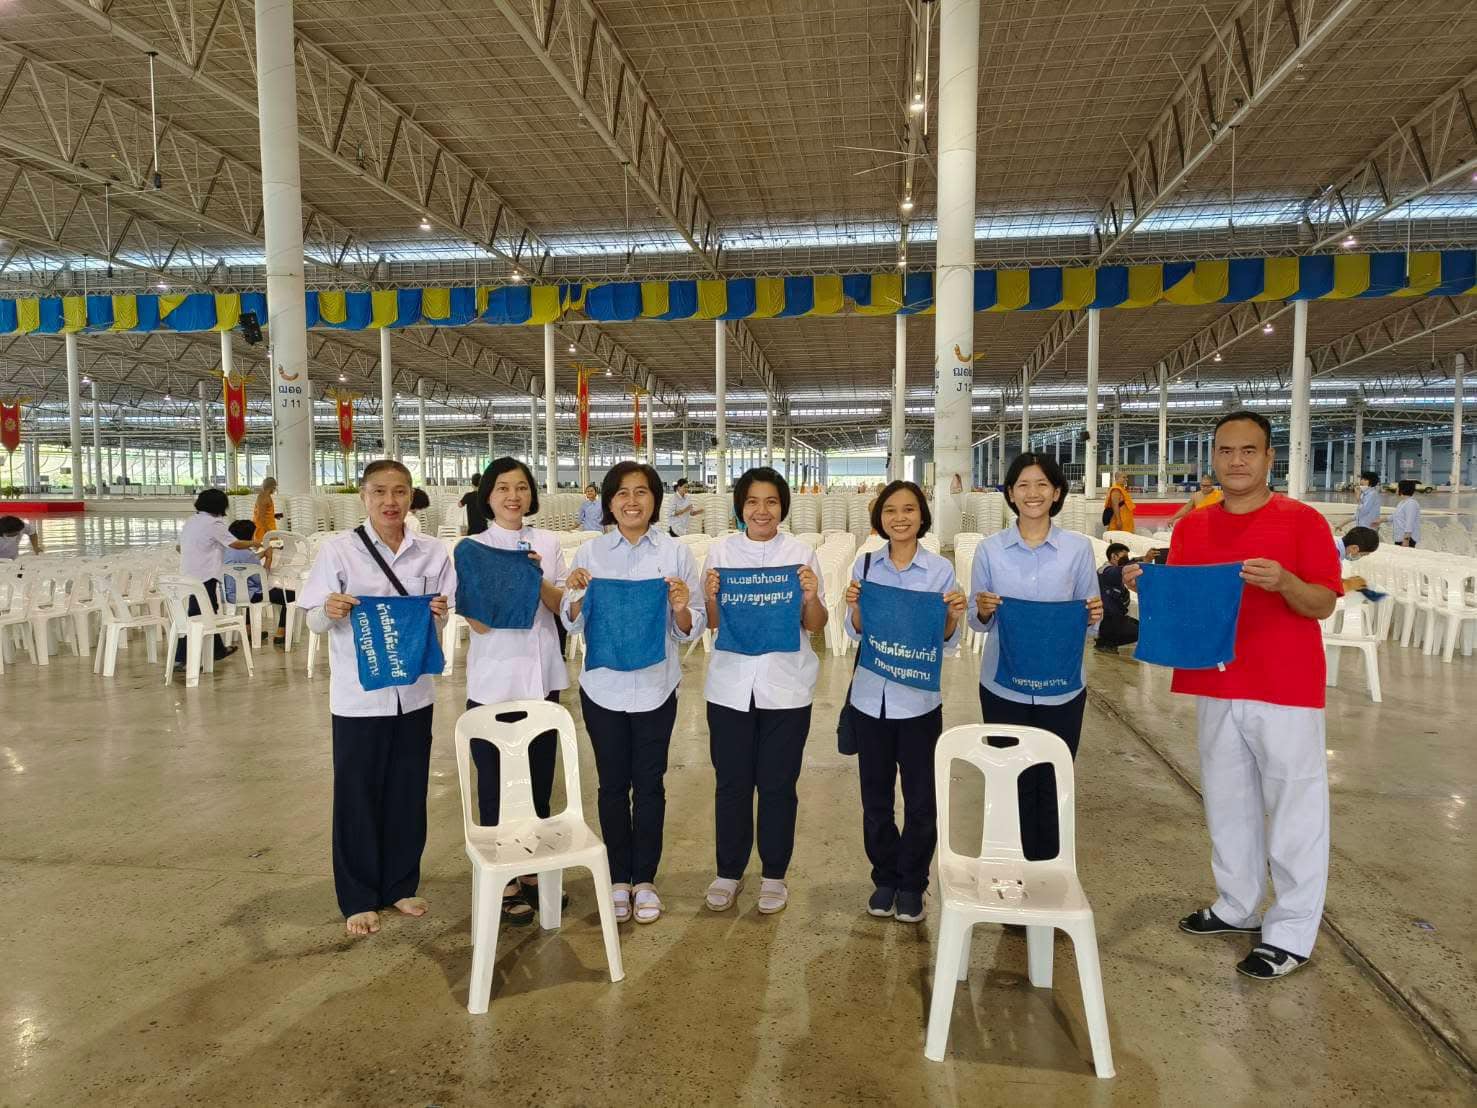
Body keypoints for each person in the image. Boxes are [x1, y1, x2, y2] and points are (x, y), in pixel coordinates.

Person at [1124, 409, 1341, 980]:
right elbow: (1188, 602)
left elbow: (1323, 602)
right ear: (1214, 458)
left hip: (1285, 684)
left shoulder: (1302, 522)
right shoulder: (1194, 527)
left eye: (1249, 450)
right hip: (1218, 680)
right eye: (1226, 450)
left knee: (1296, 806)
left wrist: (1286, 583)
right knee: (1227, 798)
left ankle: (1291, 931)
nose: (1237, 461)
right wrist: (1147, 584)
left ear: (1270, 458)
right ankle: (1237, 903)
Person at [298, 459, 455, 938]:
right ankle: (359, 895)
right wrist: (327, 609)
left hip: (413, 694)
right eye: (380, 491)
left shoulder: (433, 553)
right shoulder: (339, 552)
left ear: (412, 498)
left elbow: (440, 619)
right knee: (357, 795)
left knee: (407, 792)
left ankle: (401, 883)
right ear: (364, 497)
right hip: (358, 699)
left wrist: (438, 613)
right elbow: (310, 616)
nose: (391, 501)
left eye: (401, 492)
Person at [562, 461, 703, 925]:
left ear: (655, 500)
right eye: (621, 493)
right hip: (602, 687)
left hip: (657, 688)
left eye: (641, 492)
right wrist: (577, 593)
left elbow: (688, 629)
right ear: (609, 502)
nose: (631, 501)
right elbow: (572, 621)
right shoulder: (591, 554)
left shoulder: (676, 554)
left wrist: (682, 607)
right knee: (610, 785)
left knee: (649, 785)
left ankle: (645, 880)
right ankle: (617, 877)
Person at [700, 467, 828, 916]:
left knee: (778, 785)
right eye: (752, 501)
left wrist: (811, 596)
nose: (761, 510)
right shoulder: (720, 552)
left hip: (787, 689)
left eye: (771, 501)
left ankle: (774, 874)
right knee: (731, 784)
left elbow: (815, 626)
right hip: (730, 687)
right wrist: (711, 595)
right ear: (740, 508)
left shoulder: (800, 553)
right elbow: (713, 622)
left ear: (782, 507)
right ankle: (728, 871)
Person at [842, 480, 967, 924]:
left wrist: (953, 615)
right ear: (879, 518)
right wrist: (855, 605)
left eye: (909, 509)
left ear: (921, 516)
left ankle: (913, 883)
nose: (900, 518)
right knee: (875, 799)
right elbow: (855, 631)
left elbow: (947, 642)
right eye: (891, 510)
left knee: (920, 801)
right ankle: (884, 877)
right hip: (870, 700)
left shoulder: (939, 572)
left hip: (917, 703)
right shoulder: (867, 566)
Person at [968, 453, 1103, 861]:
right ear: (1010, 493)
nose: (1033, 493)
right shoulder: (989, 551)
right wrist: (986, 610)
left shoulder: (1078, 550)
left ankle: (1048, 874)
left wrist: (1095, 615)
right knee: (1009, 779)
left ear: (1057, 492)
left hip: (1061, 690)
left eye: (1042, 484)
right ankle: (1010, 870)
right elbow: (977, 622)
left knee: (1052, 780)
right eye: (1023, 485)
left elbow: (1090, 621)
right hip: (1003, 685)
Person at [462, 457, 569, 926]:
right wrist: (503, 584)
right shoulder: (471, 548)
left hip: (541, 676)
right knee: (495, 783)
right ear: (487, 495)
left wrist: (535, 576)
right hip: (493, 680)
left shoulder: (548, 542)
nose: (513, 496)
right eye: (503, 487)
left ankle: (530, 867)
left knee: (539, 779)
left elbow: (561, 609)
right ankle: (502, 875)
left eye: (521, 487)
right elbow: (479, 621)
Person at [176, 489, 259, 667]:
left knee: (205, 611)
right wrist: (255, 543)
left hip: (188, 574)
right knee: (200, 614)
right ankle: (182, 659)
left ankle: (217, 650)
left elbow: (179, 547)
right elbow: (235, 543)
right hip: (204, 576)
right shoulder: (214, 524)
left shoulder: (191, 521)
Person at [1096, 542, 1140, 652]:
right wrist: (1142, 560)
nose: (1126, 559)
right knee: (1139, 630)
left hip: (1115, 618)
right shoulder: (1105, 571)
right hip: (1105, 619)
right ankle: (1105, 642)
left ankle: (1106, 641)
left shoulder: (1118, 577)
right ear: (1114, 556)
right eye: (1124, 556)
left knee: (1140, 625)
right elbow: (1117, 571)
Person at [1390, 480, 1420, 547]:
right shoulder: (1402, 502)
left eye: (1398, 487)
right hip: (1400, 537)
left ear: (1402, 489)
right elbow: (1394, 516)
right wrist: (1380, 520)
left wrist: (1406, 540)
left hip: (1407, 539)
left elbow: (1409, 523)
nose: (1396, 489)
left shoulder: (1411, 503)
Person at [251, 477, 280, 542]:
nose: (275, 490)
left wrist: (274, 515)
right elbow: (261, 518)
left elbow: (265, 513)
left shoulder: (267, 496)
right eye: (274, 488)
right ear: (272, 487)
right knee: (266, 548)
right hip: (263, 529)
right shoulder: (263, 498)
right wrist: (270, 533)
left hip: (268, 526)